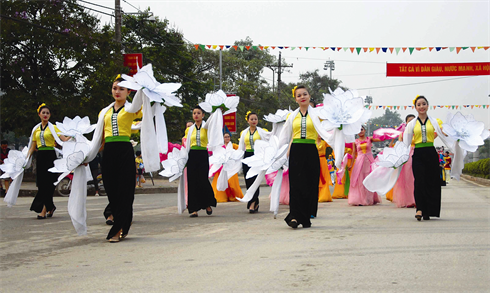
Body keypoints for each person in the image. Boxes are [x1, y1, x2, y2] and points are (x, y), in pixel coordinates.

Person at [278, 85, 333, 229]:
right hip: (296, 150)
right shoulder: (292, 117)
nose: (302, 97)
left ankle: (306, 216)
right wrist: (277, 155)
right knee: (296, 184)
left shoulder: (317, 115)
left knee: (310, 184)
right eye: (299, 95)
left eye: (305, 94)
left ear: (309, 96)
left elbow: (328, 130)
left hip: (311, 150)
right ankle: (294, 216)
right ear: (295, 99)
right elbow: (284, 137)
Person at [99, 76, 142, 241]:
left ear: (128, 92)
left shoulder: (132, 109)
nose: (117, 91)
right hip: (109, 152)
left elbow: (148, 109)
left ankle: (117, 230)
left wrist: (145, 91)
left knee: (125, 190)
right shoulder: (105, 112)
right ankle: (123, 221)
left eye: (121, 89)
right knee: (111, 189)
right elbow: (100, 137)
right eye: (114, 88)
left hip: (125, 151)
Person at [401, 95, 446, 221]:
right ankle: (419, 208)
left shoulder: (434, 122)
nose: (421, 107)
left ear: (428, 105)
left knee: (431, 181)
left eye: (424, 104)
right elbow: (406, 142)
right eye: (419, 104)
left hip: (431, 153)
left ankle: (429, 211)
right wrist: (400, 156)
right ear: (415, 107)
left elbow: (443, 134)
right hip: (418, 153)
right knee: (419, 181)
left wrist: (456, 136)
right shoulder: (411, 124)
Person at [27, 104, 69, 219]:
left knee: (49, 184)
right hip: (40, 156)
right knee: (41, 184)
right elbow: (32, 147)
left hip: (50, 156)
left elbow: (64, 139)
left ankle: (44, 210)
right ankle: (50, 206)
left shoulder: (54, 127)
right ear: (39, 114)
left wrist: (74, 134)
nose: (45, 115)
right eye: (43, 112)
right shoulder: (36, 129)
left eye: (47, 113)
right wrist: (25, 159)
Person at [183, 105, 217, 217]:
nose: (196, 115)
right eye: (194, 113)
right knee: (192, 181)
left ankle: (207, 203)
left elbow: (213, 121)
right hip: (192, 155)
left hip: (203, 155)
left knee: (203, 180)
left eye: (198, 113)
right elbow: (187, 145)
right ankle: (193, 208)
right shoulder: (189, 129)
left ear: (203, 115)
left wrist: (217, 111)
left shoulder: (206, 127)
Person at [238, 111, 270, 213]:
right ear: (248, 121)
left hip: (257, 157)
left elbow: (268, 141)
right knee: (248, 181)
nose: (254, 121)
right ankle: (254, 202)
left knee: (255, 180)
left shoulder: (261, 132)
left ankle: (253, 203)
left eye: (255, 119)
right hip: (247, 157)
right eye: (251, 119)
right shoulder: (244, 133)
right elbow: (241, 148)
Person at [348, 125, 382, 206]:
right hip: (359, 162)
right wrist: (351, 165)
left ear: (365, 130)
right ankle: (361, 198)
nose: (360, 131)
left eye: (362, 129)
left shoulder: (369, 139)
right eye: (358, 130)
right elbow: (353, 154)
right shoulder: (355, 141)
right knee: (360, 180)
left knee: (369, 179)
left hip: (369, 161)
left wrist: (385, 135)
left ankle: (369, 198)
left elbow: (380, 139)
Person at [211, 132, 244, 202]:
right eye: (225, 137)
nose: (227, 138)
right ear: (223, 138)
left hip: (231, 167)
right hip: (221, 167)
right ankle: (222, 197)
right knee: (220, 181)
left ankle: (234, 196)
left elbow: (241, 151)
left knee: (232, 183)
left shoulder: (233, 146)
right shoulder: (220, 147)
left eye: (228, 137)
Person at [392, 114, 416, 208]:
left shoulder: (418, 133)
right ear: (406, 123)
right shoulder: (402, 134)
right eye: (409, 121)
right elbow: (399, 146)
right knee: (407, 179)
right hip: (407, 157)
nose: (411, 122)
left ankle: (417, 199)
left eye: (413, 120)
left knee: (416, 178)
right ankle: (408, 200)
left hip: (417, 154)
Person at [317, 136, 333, 203]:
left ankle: (324, 195)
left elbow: (332, 144)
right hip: (315, 160)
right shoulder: (313, 142)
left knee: (324, 177)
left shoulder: (324, 142)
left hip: (323, 161)